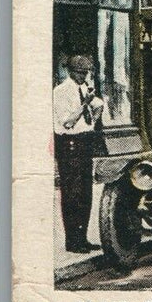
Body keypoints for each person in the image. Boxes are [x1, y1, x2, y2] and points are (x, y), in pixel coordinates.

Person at [53, 55, 104, 253]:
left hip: (85, 141)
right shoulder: (61, 92)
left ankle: (82, 238)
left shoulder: (84, 89)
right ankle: (72, 241)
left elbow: (98, 105)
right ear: (70, 71)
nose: (84, 76)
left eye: (86, 73)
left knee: (85, 192)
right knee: (72, 192)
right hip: (70, 143)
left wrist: (94, 113)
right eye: (80, 73)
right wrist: (85, 106)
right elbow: (68, 122)